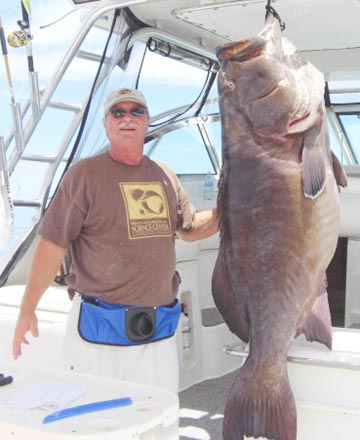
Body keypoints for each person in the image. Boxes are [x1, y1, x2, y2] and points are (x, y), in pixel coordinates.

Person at [12, 88, 218, 395]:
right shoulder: (84, 175)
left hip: (157, 330)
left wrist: (227, 207)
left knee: (156, 418)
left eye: (136, 111)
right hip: (98, 328)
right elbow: (52, 244)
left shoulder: (164, 174)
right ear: (106, 124)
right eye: (118, 113)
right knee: (94, 420)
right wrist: (28, 308)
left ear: (147, 121)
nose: (127, 118)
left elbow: (188, 228)